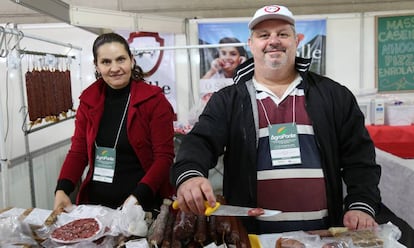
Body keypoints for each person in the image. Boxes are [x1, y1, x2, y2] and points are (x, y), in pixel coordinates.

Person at [171, 4, 381, 234]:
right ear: (251, 44)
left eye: (282, 34)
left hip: (321, 235)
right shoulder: (229, 100)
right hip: (252, 237)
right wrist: (190, 175)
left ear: (297, 40)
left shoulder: (333, 95)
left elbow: (360, 158)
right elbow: (200, 141)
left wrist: (361, 204)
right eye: (264, 35)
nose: (274, 41)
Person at [54, 32, 175, 212]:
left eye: (121, 59)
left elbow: (164, 158)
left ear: (132, 60)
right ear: (96, 65)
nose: (115, 68)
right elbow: (78, 152)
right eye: (106, 62)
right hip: (96, 205)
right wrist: (62, 189)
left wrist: (138, 197)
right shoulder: (88, 101)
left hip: (142, 204)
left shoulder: (154, 101)